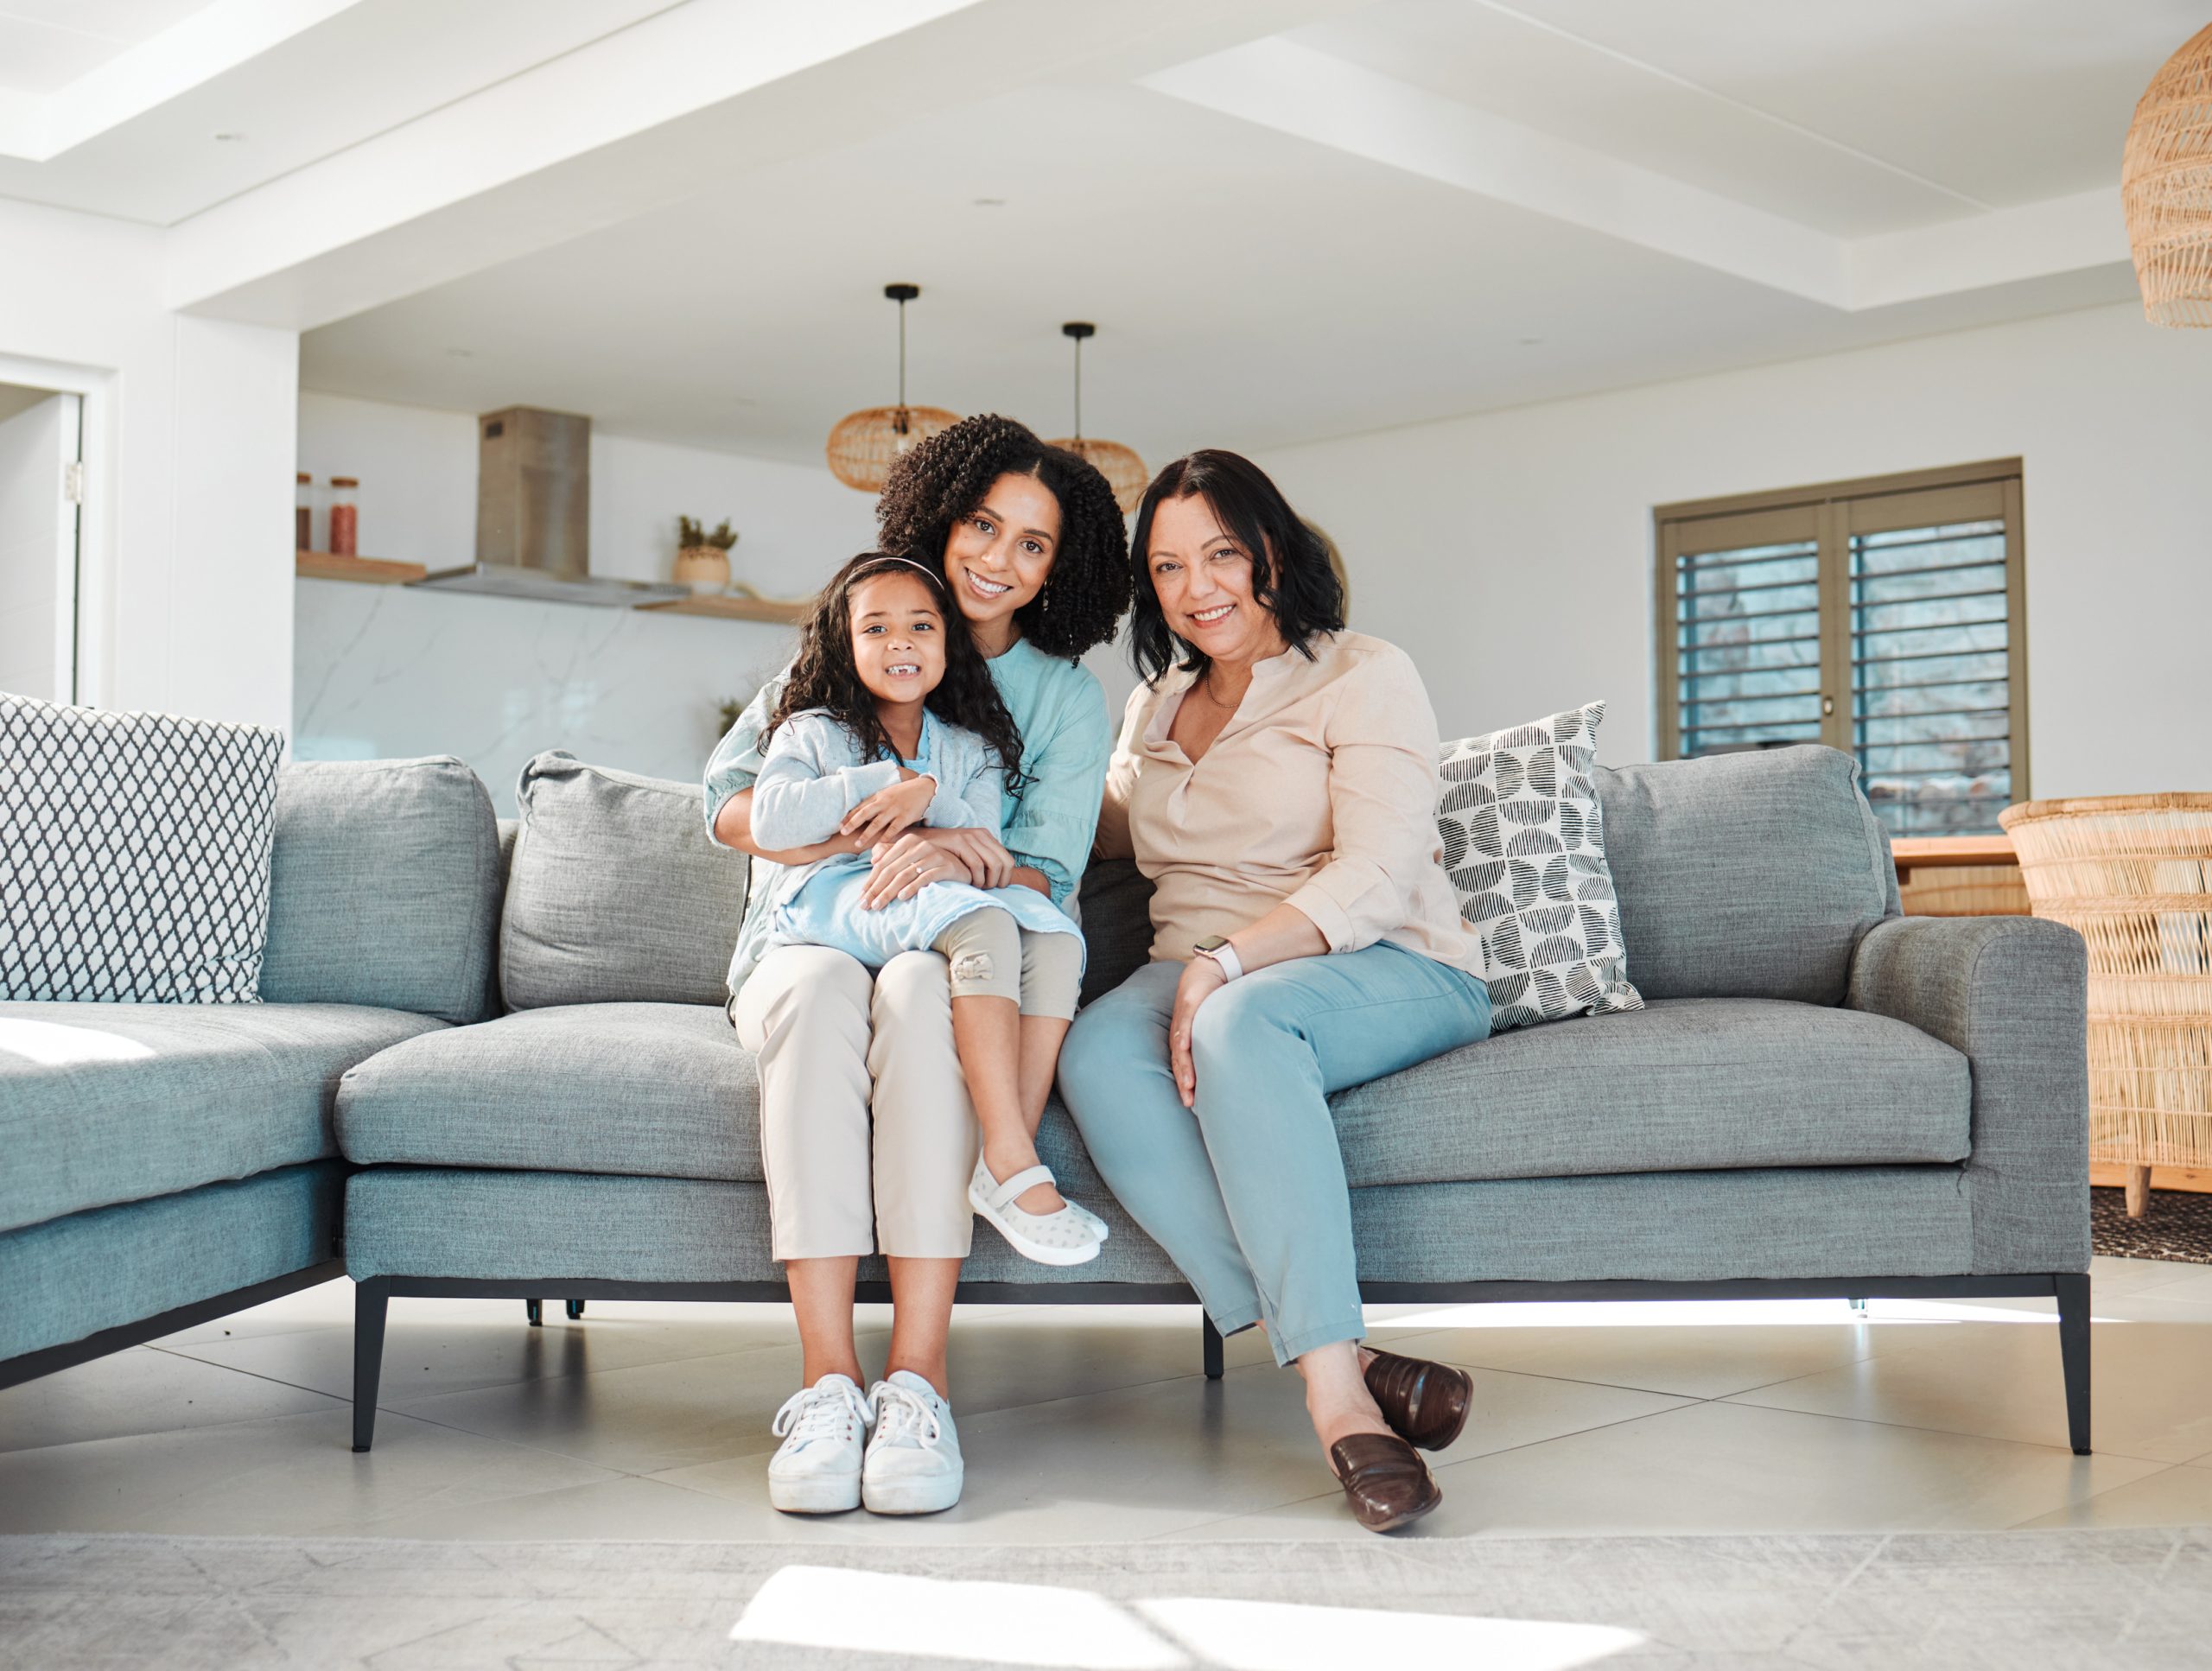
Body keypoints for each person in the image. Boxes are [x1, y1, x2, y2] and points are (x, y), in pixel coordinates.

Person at [1057, 449, 1492, 1534]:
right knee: (1096, 1052)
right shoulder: (1152, 706)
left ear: (1272, 554)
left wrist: (1226, 961)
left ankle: (1338, 1403)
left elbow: (1378, 871)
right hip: (1192, 969)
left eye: (1219, 553)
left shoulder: (1362, 670)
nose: (1197, 585)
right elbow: (1102, 827)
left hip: (1380, 960)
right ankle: (1341, 1349)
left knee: (1239, 1019)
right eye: (1165, 566)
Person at [703, 415, 1128, 1518]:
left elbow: (1040, 872)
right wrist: (861, 816)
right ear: (940, 515)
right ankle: (827, 1383)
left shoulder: (1061, 701)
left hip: (943, 935)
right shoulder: (850, 643)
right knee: (816, 990)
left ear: (1058, 568)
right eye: (983, 522)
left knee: (917, 986)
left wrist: (937, 837)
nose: (997, 557)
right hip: (801, 938)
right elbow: (731, 807)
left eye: (1032, 543)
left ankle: (918, 1382)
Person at [746, 551, 1107, 1277]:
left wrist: (930, 800)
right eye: (876, 628)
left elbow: (980, 852)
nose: (901, 642)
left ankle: (1007, 1152)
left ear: (949, 644)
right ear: (844, 645)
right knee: (984, 923)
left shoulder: (969, 748)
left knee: (1056, 936)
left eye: (920, 626)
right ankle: (1008, 1158)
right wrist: (893, 783)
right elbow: (774, 822)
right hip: (832, 895)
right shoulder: (810, 732)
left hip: (919, 892)